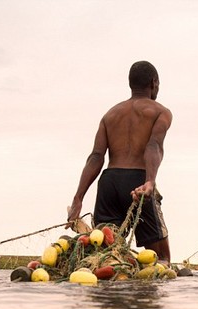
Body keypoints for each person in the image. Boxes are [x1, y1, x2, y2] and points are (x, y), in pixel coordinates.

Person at [67, 61, 173, 263]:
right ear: (154, 82)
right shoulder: (160, 112)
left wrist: (78, 198)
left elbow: (96, 157)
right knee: (161, 259)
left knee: (105, 256)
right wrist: (150, 181)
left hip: (109, 183)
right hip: (138, 183)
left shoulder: (110, 115)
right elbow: (154, 146)